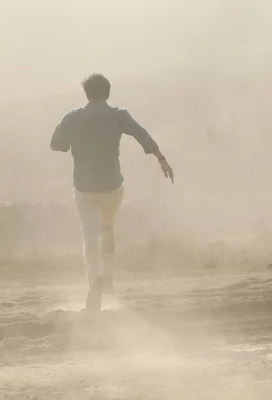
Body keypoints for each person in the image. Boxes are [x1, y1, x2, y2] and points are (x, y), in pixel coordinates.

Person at [50, 73, 174, 311]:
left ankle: (94, 282)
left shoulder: (73, 117)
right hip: (112, 187)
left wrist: (74, 141)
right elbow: (142, 135)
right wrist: (161, 159)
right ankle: (107, 278)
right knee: (107, 228)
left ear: (86, 93)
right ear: (108, 92)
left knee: (90, 237)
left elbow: (57, 145)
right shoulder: (118, 115)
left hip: (84, 188)